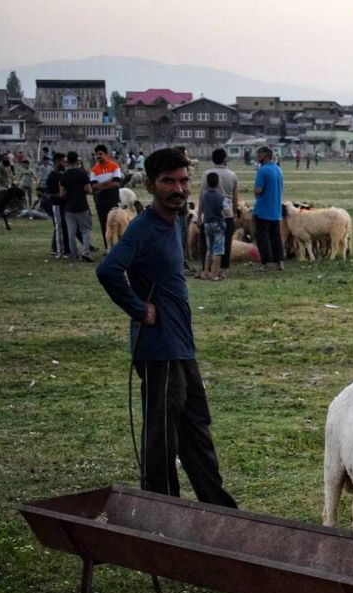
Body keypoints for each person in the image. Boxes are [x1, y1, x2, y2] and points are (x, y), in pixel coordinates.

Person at [96, 148, 236, 508]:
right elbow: (108, 270)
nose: (178, 188)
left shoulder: (174, 221)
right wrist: (139, 309)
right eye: (169, 181)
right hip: (158, 350)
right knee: (161, 436)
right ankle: (161, 511)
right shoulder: (143, 227)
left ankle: (218, 508)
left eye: (184, 180)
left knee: (196, 430)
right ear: (150, 184)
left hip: (181, 346)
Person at [200, 148, 240, 277]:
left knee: (207, 244)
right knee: (225, 243)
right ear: (225, 159)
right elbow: (235, 197)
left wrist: (200, 213)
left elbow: (202, 195)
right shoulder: (232, 175)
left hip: (210, 214)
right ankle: (222, 270)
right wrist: (234, 213)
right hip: (226, 214)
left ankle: (206, 269)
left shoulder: (206, 174)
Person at [252, 145, 285, 271]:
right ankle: (280, 261)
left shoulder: (262, 170)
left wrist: (255, 192)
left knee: (262, 236)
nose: (257, 158)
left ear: (265, 156)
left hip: (263, 209)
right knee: (276, 236)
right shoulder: (278, 169)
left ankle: (265, 263)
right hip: (276, 209)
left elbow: (258, 189)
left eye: (259, 155)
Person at [60, 151, 94, 262]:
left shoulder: (63, 175)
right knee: (85, 229)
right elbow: (89, 190)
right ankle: (86, 252)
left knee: (71, 231)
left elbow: (61, 194)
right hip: (82, 206)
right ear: (77, 161)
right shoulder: (82, 173)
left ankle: (74, 254)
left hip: (69, 207)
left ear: (67, 161)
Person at [195, 171, 229, 281]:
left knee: (209, 249)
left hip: (207, 223)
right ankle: (214, 274)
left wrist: (200, 218)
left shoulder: (204, 195)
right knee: (218, 250)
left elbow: (200, 207)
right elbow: (227, 211)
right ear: (218, 183)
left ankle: (205, 272)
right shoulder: (221, 197)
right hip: (218, 224)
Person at [90, 144, 123, 249]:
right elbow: (93, 186)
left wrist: (101, 187)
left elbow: (116, 183)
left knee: (116, 224)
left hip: (113, 200)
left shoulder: (114, 166)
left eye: (100, 154)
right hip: (100, 201)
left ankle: (117, 247)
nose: (98, 156)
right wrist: (109, 181)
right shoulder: (94, 170)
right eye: (97, 154)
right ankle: (107, 247)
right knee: (104, 224)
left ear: (106, 155)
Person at [45, 153, 70, 258]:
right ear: (57, 162)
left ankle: (63, 248)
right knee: (59, 228)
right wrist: (61, 195)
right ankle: (59, 252)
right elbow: (49, 194)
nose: (65, 163)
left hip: (64, 204)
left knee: (64, 227)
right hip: (57, 205)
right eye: (63, 161)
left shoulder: (62, 174)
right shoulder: (52, 176)